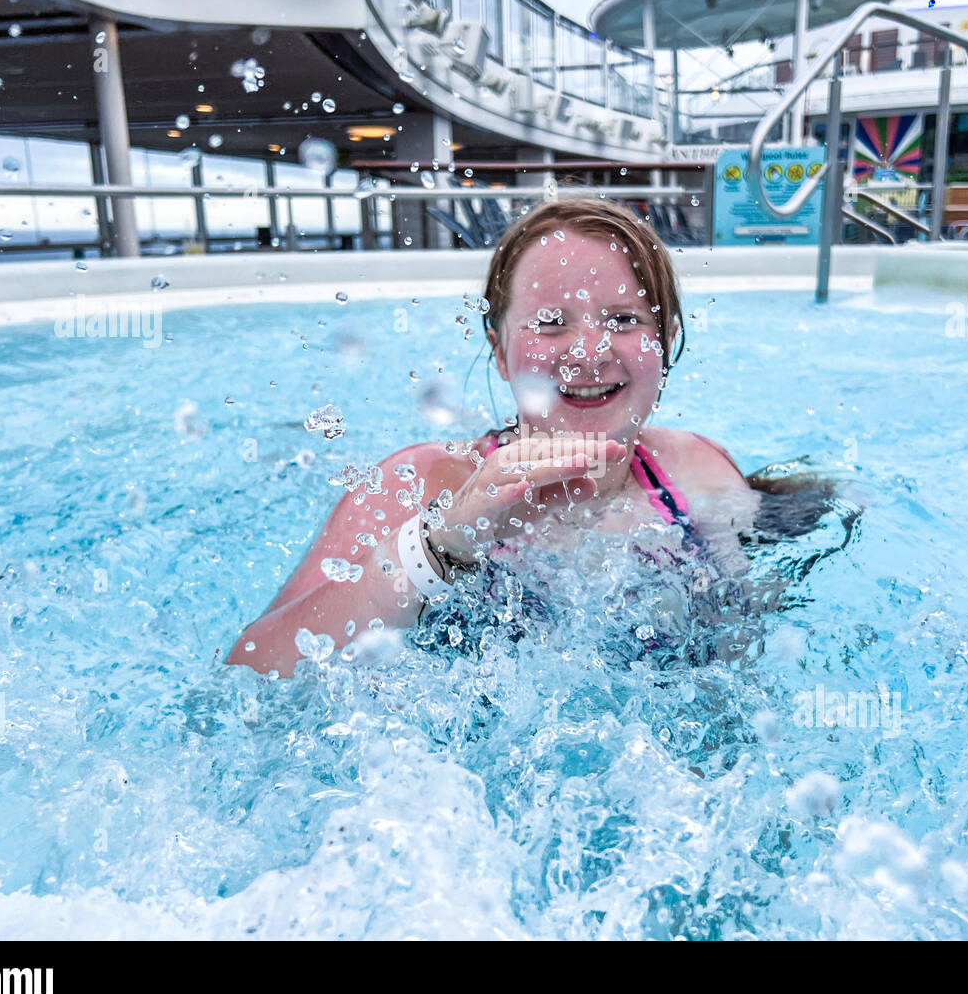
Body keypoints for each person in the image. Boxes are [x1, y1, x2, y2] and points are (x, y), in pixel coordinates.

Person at [228, 198, 753, 676]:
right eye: (550, 323)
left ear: (666, 342)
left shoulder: (699, 474)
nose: (590, 352)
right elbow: (249, 672)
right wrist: (443, 544)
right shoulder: (420, 484)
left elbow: (748, 646)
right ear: (499, 351)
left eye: (622, 319)